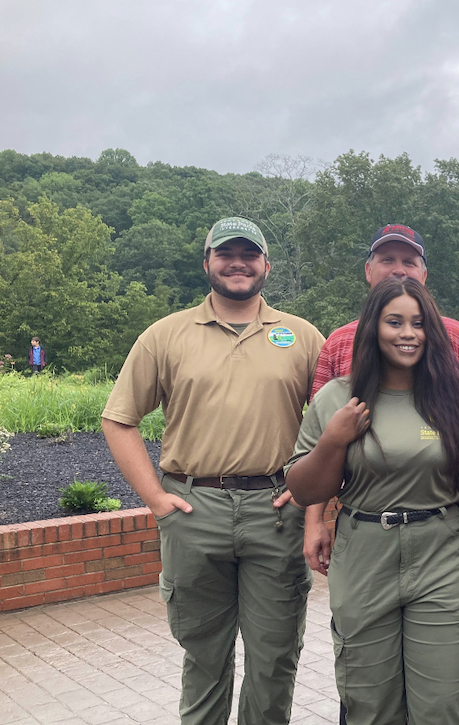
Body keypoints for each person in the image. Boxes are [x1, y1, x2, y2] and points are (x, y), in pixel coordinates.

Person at [101, 216, 325, 725]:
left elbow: (334, 426)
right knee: (204, 657)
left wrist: (312, 497)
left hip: (275, 512)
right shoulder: (166, 335)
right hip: (193, 509)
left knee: (274, 660)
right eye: (226, 254)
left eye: (250, 254)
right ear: (207, 264)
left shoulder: (304, 337)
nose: (238, 263)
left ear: (267, 265)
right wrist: (157, 500)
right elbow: (118, 419)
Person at [285, 277, 459, 725]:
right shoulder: (337, 398)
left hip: (440, 554)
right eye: (394, 321)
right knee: (370, 704)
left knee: (443, 704)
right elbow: (304, 489)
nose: (408, 333)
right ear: (372, 329)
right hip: (364, 554)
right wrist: (333, 441)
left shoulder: (456, 400)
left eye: (418, 323)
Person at [304, 223, 459, 576]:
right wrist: (314, 520)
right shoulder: (339, 343)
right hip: (366, 525)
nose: (399, 269)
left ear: (424, 274)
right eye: (387, 259)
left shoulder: (457, 339)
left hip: (442, 527)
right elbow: (320, 443)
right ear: (368, 271)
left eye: (409, 261)